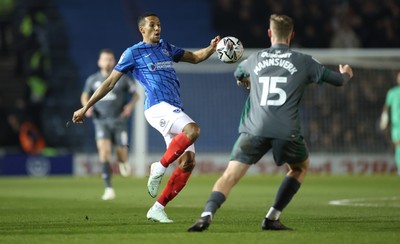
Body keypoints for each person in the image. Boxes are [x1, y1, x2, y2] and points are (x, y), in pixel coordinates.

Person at [188, 14, 353, 232]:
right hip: (286, 130)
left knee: (229, 175)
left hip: (253, 128)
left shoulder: (253, 59)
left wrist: (244, 80)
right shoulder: (305, 61)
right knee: (299, 168)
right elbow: (338, 81)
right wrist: (346, 74)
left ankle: (206, 215)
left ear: (269, 33)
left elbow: (239, 73)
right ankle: (271, 217)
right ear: (292, 35)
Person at [72, 12, 220, 222]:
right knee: (192, 130)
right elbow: (109, 83)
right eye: (152, 25)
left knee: (188, 162)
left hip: (174, 108)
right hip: (157, 108)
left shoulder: (166, 47)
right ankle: (158, 166)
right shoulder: (133, 53)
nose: (157, 28)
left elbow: (195, 58)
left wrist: (211, 48)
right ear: (142, 29)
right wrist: (85, 106)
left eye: (159, 24)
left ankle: (157, 208)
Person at [80, 49, 139, 200]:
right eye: (104, 59)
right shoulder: (92, 80)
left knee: (121, 155)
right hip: (101, 121)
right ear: (99, 62)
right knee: (104, 153)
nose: (107, 62)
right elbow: (85, 95)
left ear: (114, 62)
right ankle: (108, 188)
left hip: (119, 121)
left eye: (110, 59)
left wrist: (129, 106)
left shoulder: (122, 79)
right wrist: (87, 106)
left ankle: (122, 161)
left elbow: (136, 94)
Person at [379, 71, 400, 176]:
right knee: (398, 146)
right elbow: (386, 107)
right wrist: (384, 119)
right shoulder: (392, 92)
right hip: (397, 125)